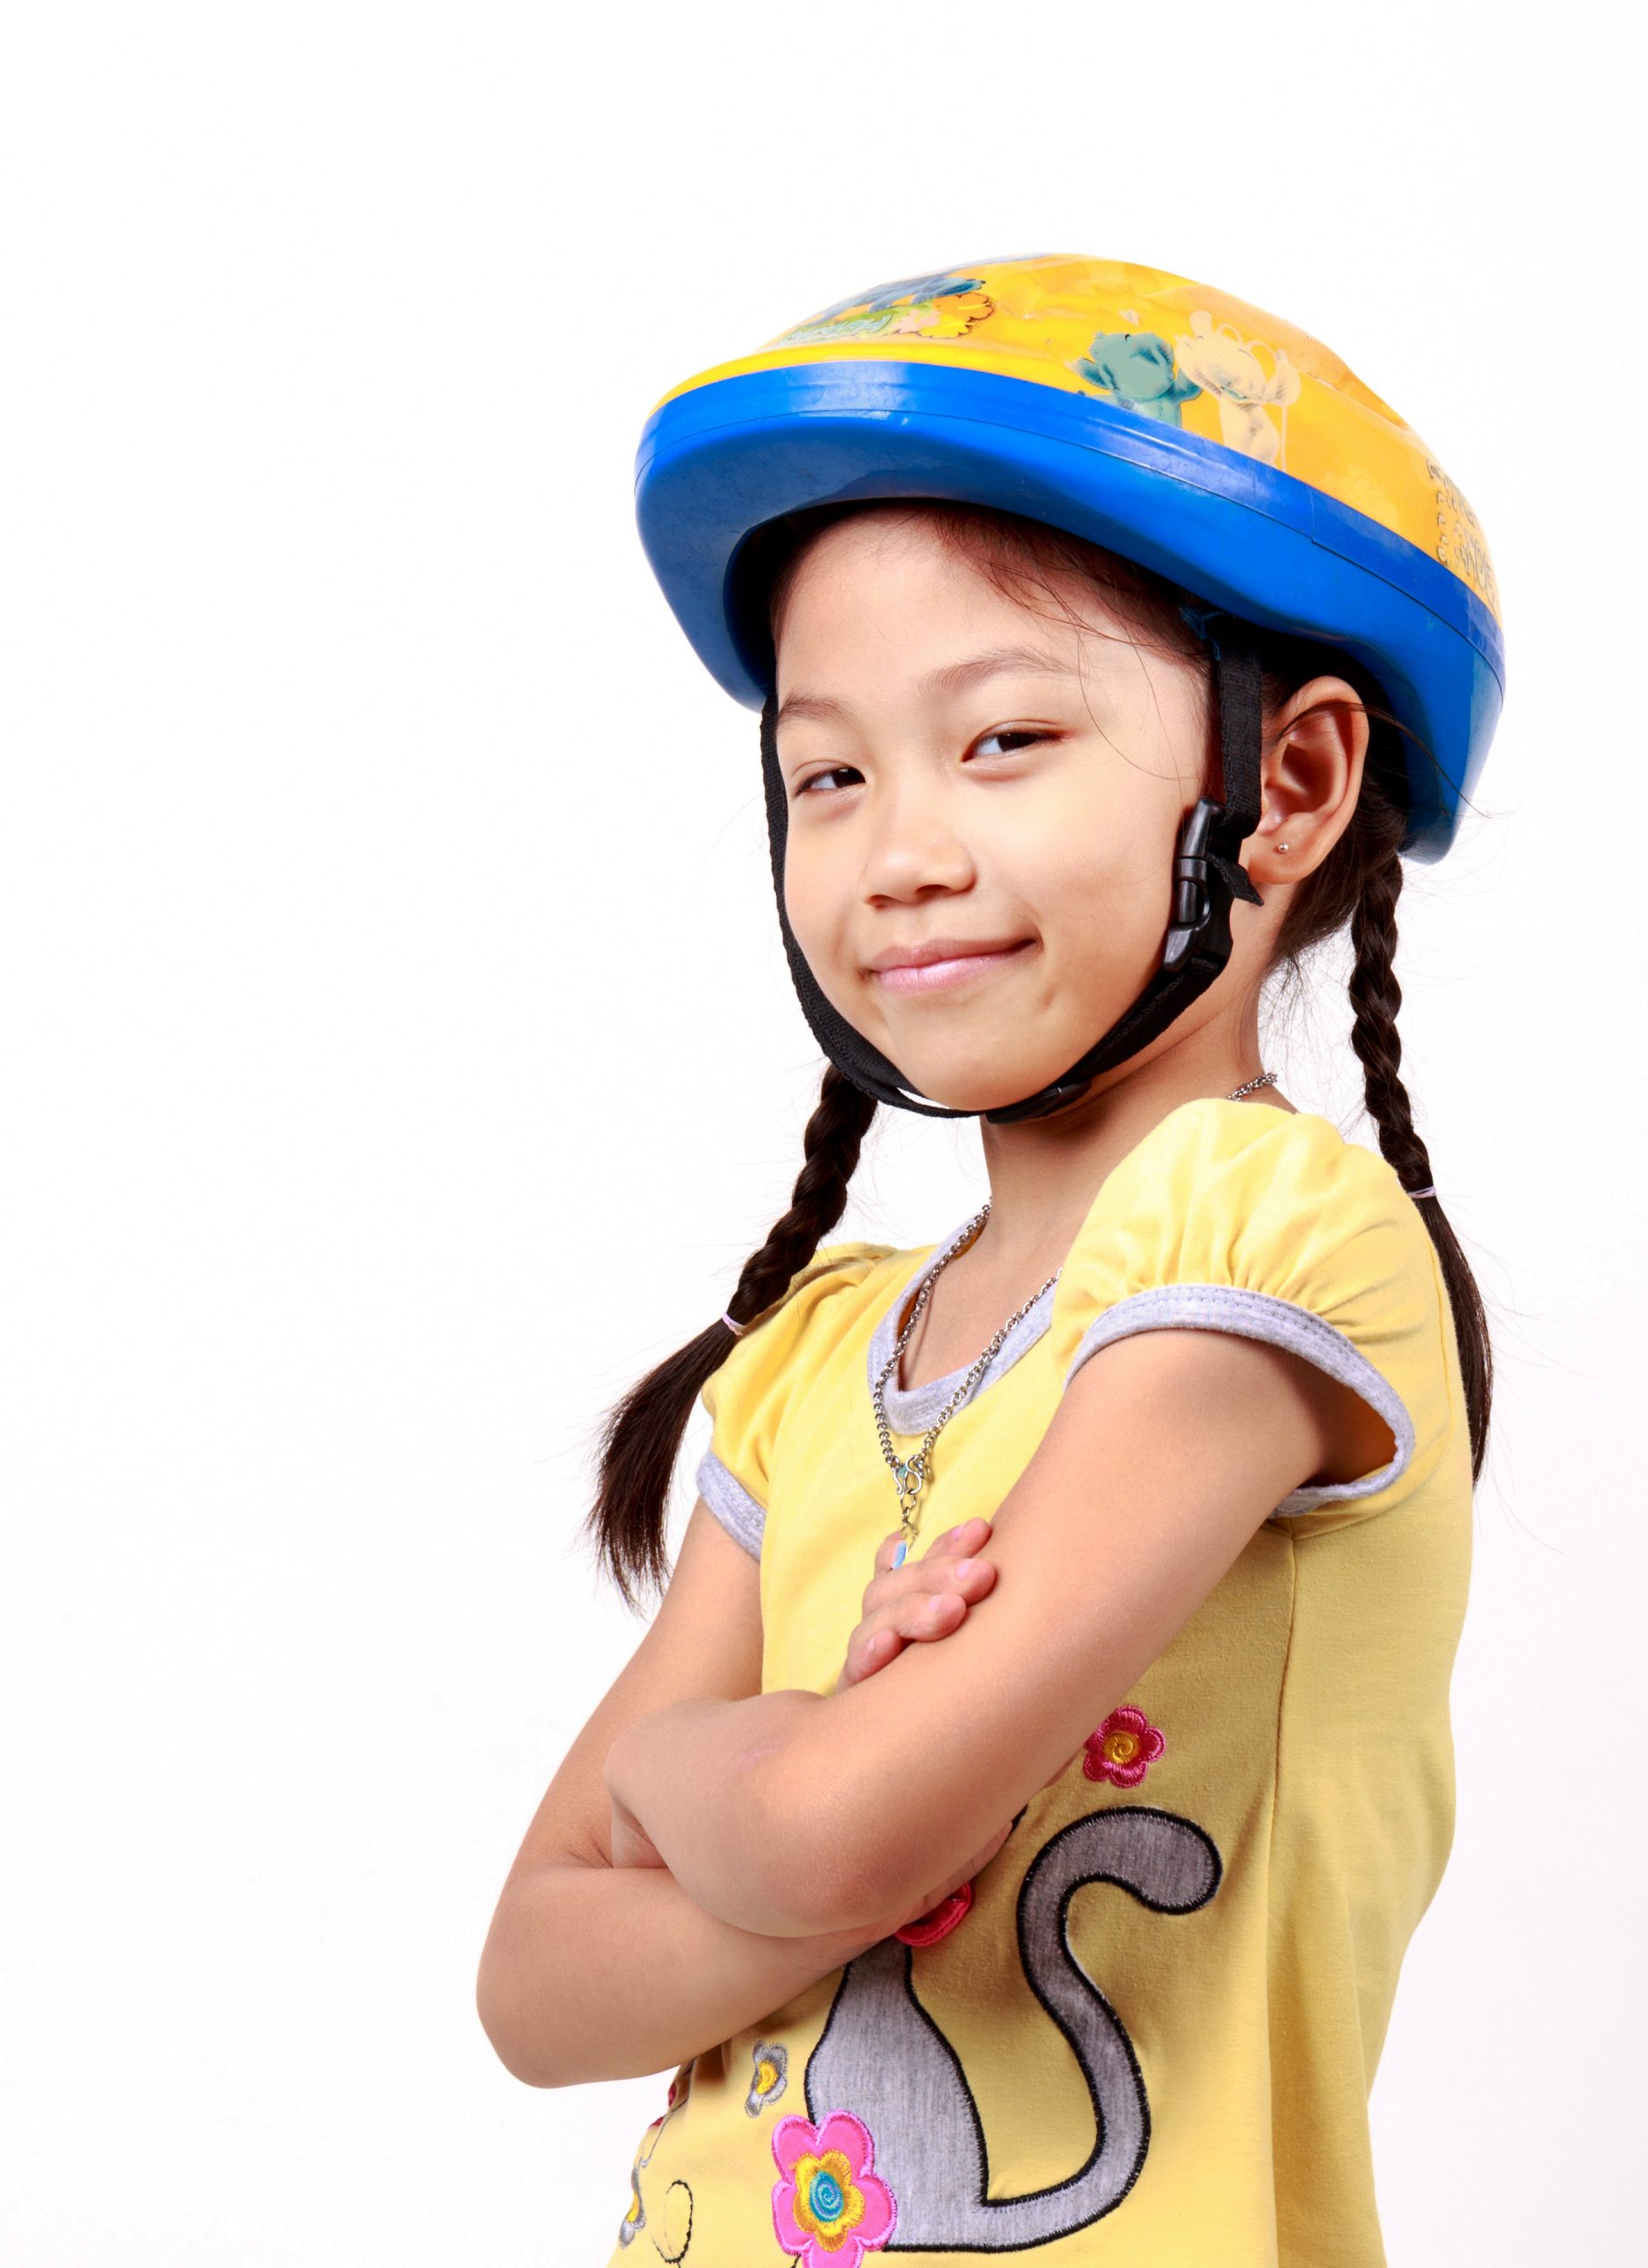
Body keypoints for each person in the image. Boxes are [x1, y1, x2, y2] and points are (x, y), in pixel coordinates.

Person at [476, 252, 1507, 2268]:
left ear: (1286, 782)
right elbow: (531, 1982)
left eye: (1007, 738)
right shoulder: (813, 1360)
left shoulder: (1269, 1239)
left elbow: (853, 1828)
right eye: (829, 771)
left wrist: (692, 1766)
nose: (897, 850)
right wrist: (796, 1780)